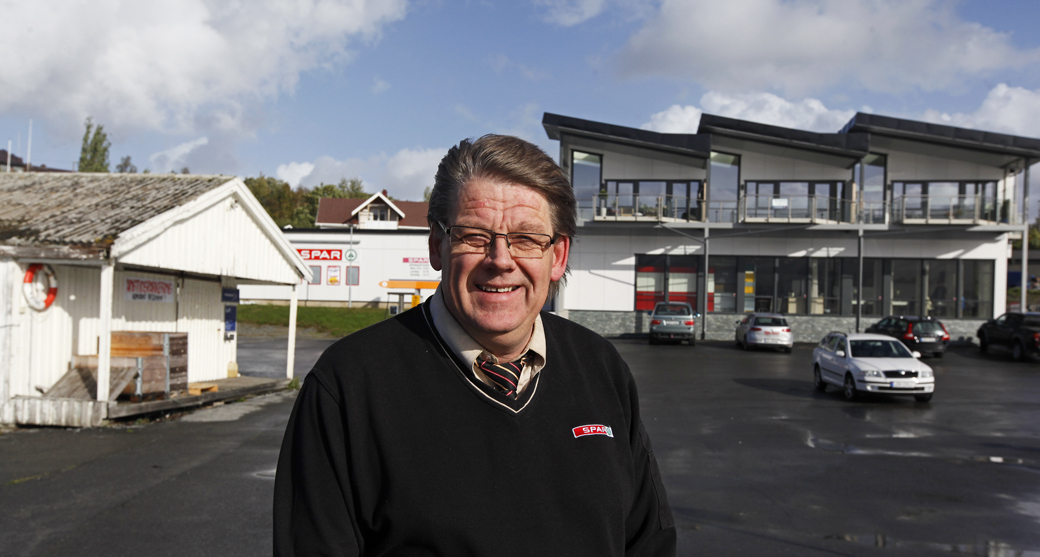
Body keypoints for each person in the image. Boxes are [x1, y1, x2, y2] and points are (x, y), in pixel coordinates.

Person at [273, 134, 676, 556]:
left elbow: (650, 541)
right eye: (474, 235)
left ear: (557, 256)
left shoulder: (602, 369)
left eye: (526, 239)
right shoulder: (347, 386)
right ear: (437, 245)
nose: (500, 260)